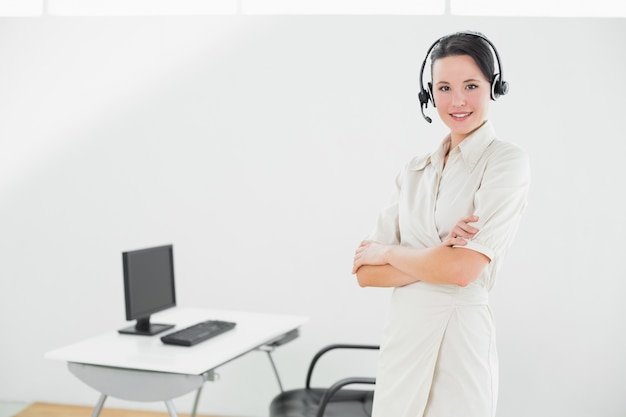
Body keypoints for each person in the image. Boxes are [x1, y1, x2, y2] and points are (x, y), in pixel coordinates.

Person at [352, 31, 530, 417]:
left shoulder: (505, 163)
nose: (457, 100)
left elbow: (462, 269)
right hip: (404, 340)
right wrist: (435, 258)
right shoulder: (416, 170)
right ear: (429, 94)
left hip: (460, 343)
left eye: (471, 85)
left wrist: (389, 252)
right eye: (444, 87)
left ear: (493, 87)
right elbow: (365, 272)